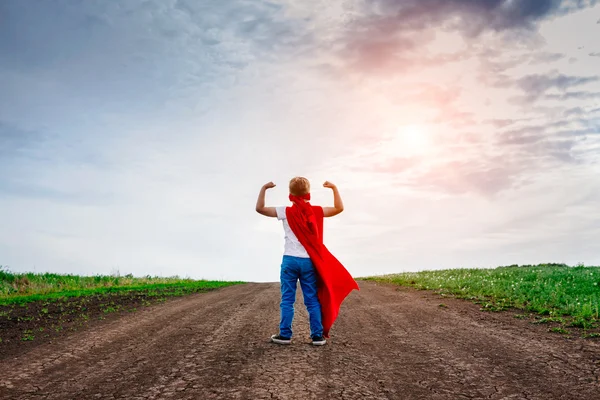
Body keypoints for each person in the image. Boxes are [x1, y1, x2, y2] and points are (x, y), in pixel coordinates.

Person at [255, 177, 353, 346]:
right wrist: (334, 188)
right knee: (312, 300)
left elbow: (260, 208)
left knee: (287, 299)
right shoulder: (316, 211)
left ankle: (285, 335)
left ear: (290, 194)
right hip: (308, 262)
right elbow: (339, 208)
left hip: (290, 261)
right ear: (308, 193)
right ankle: (317, 336)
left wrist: (264, 188)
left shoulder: (285, 211)